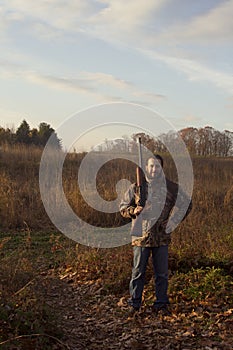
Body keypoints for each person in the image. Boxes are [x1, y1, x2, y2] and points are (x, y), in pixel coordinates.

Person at [119, 155, 192, 315]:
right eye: (151, 166)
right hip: (140, 238)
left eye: (157, 166)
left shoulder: (171, 188)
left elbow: (187, 205)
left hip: (161, 238)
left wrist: (172, 223)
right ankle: (134, 303)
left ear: (162, 168)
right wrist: (133, 211)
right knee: (138, 272)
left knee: (162, 274)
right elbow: (123, 207)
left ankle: (161, 304)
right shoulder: (136, 188)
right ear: (146, 167)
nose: (154, 169)